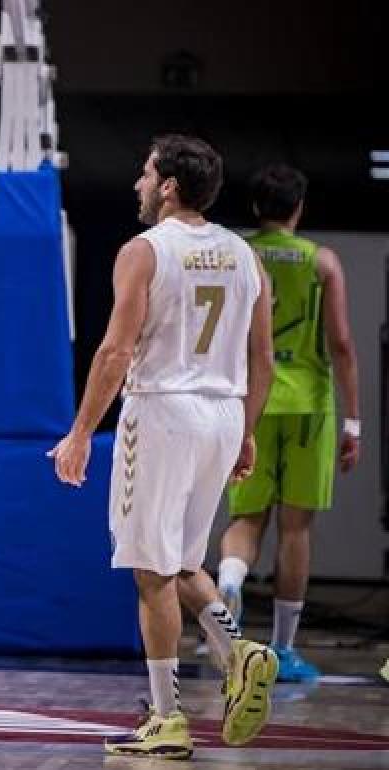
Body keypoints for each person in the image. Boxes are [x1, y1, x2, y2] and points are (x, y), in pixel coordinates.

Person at [49, 135, 278, 759]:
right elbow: (264, 358)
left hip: (162, 412)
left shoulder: (145, 251)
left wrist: (78, 433)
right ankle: (241, 652)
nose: (137, 185)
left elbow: (116, 351)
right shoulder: (244, 255)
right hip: (223, 415)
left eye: (145, 174)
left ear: (169, 186)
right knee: (179, 563)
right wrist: (247, 430)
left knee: (153, 573)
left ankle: (167, 719)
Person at [217, 163, 361, 683]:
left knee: (245, 518)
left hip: (250, 399)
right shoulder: (322, 261)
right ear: (299, 208)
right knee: (296, 526)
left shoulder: (239, 255)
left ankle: (229, 581)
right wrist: (356, 422)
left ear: (256, 208)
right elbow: (341, 344)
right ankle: (282, 650)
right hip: (308, 405)